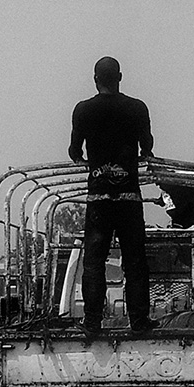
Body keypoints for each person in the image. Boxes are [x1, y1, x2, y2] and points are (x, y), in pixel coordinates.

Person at [69, 56, 158, 335]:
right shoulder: (137, 108)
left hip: (98, 198)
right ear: (120, 77)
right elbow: (147, 145)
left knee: (94, 261)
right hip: (129, 195)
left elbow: (74, 151)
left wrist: (87, 162)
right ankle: (139, 321)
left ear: (95, 79)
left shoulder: (83, 110)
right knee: (135, 261)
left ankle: (93, 321)